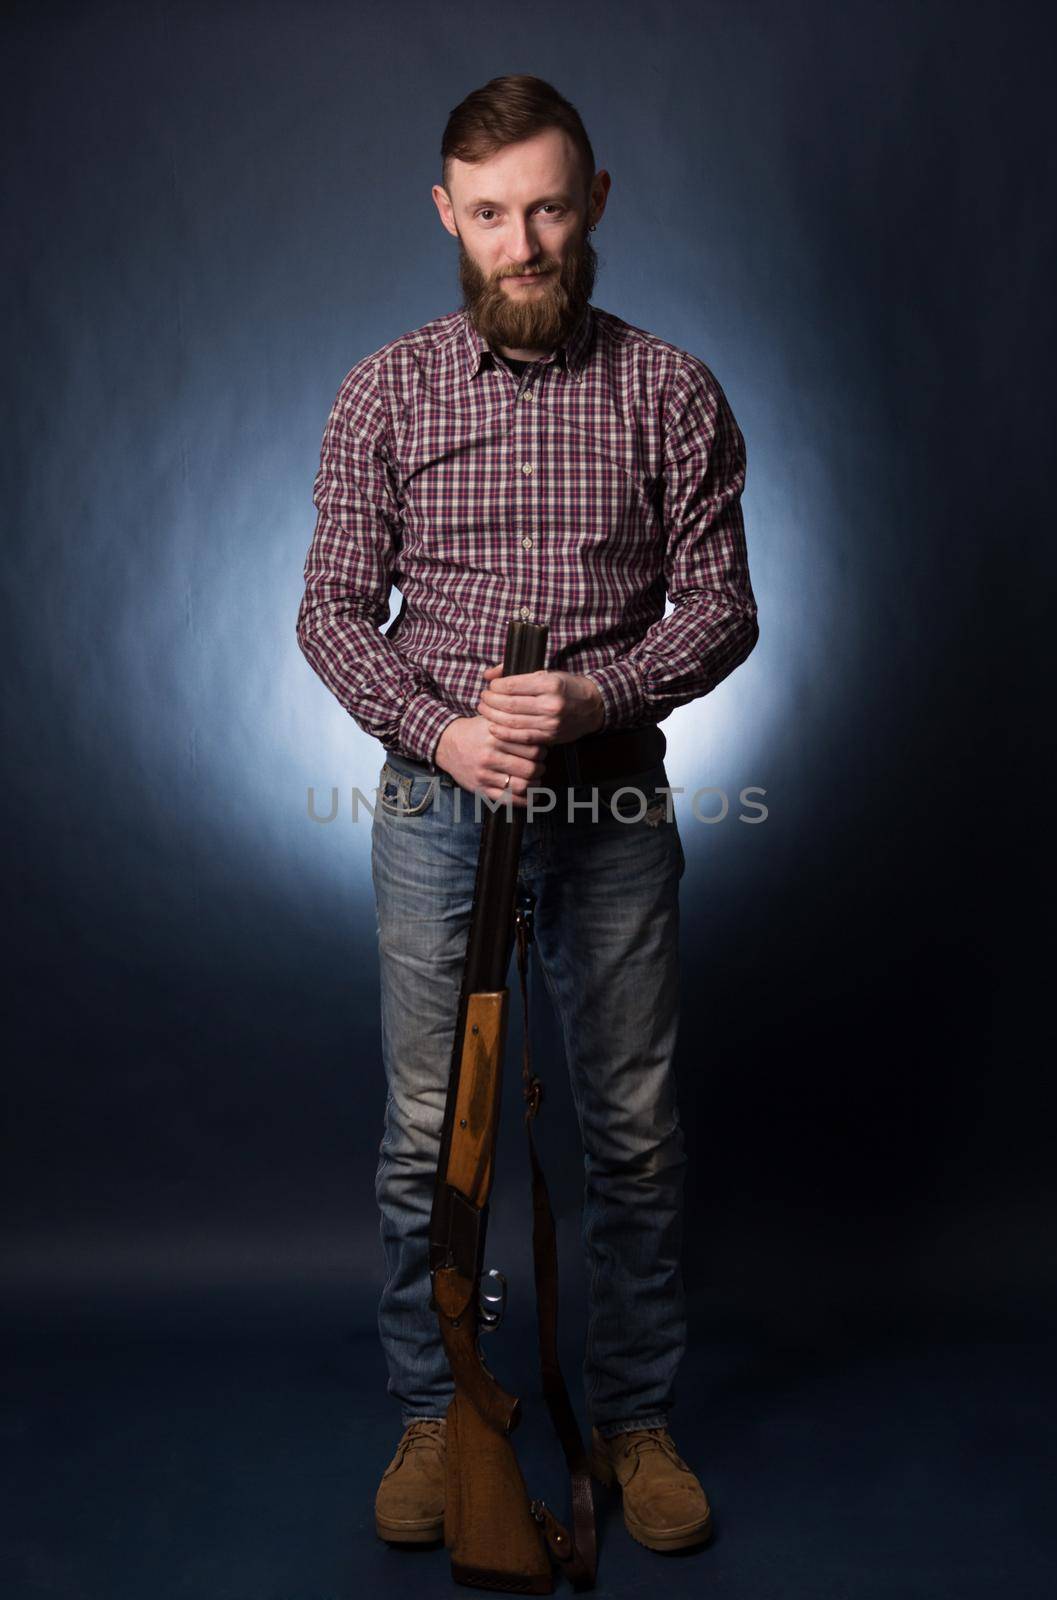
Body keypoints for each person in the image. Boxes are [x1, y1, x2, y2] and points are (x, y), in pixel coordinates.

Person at [295, 73, 759, 1556]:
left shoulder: (673, 391)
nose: (525, 240)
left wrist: (595, 692)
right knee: (433, 1128)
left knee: (631, 1128)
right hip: (439, 805)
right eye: (491, 213)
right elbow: (329, 615)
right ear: (448, 216)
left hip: (612, 796)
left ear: (596, 201)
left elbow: (726, 610)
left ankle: (633, 1422)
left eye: (549, 206)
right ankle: (441, 1414)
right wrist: (442, 728)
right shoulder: (386, 390)